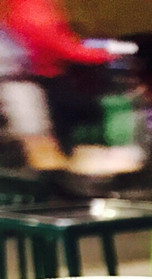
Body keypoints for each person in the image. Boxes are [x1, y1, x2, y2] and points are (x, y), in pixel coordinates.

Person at [1, 0, 112, 171]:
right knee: (43, 138)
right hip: (31, 81)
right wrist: (100, 55)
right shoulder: (30, 8)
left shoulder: (26, 9)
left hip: (33, 80)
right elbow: (50, 41)